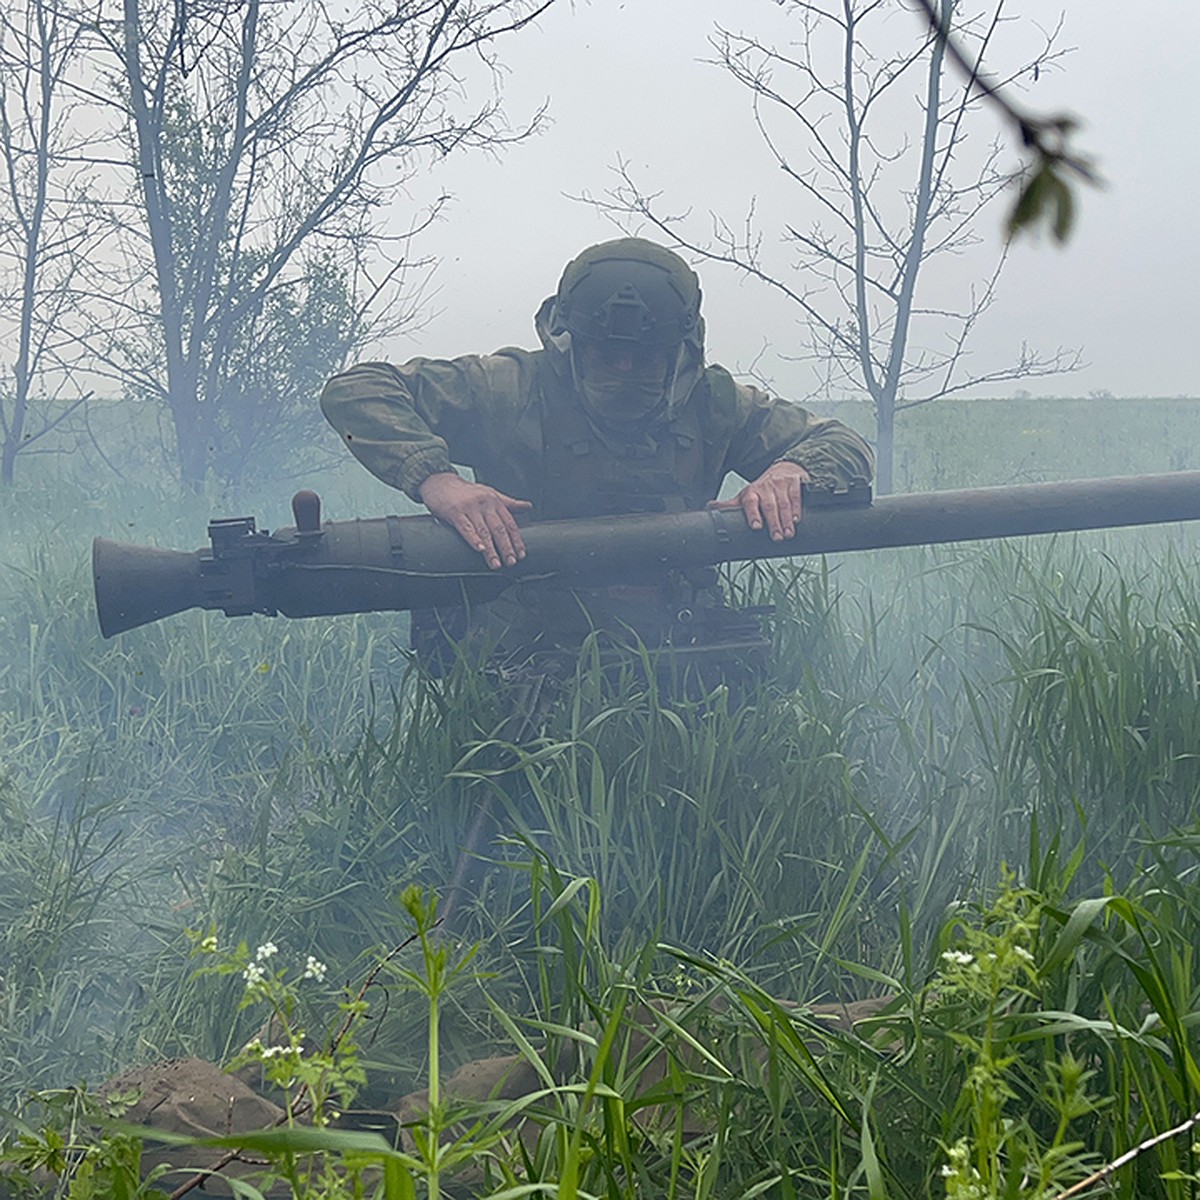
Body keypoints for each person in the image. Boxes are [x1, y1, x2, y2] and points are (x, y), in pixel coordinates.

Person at [321, 237, 874, 673]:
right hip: (522, 649)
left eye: (645, 357)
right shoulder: (508, 388)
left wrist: (790, 472)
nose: (625, 372)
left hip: (680, 644)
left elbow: (840, 443)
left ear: (680, 349)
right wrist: (438, 482)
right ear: (572, 342)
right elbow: (357, 390)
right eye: (608, 356)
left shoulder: (715, 405)